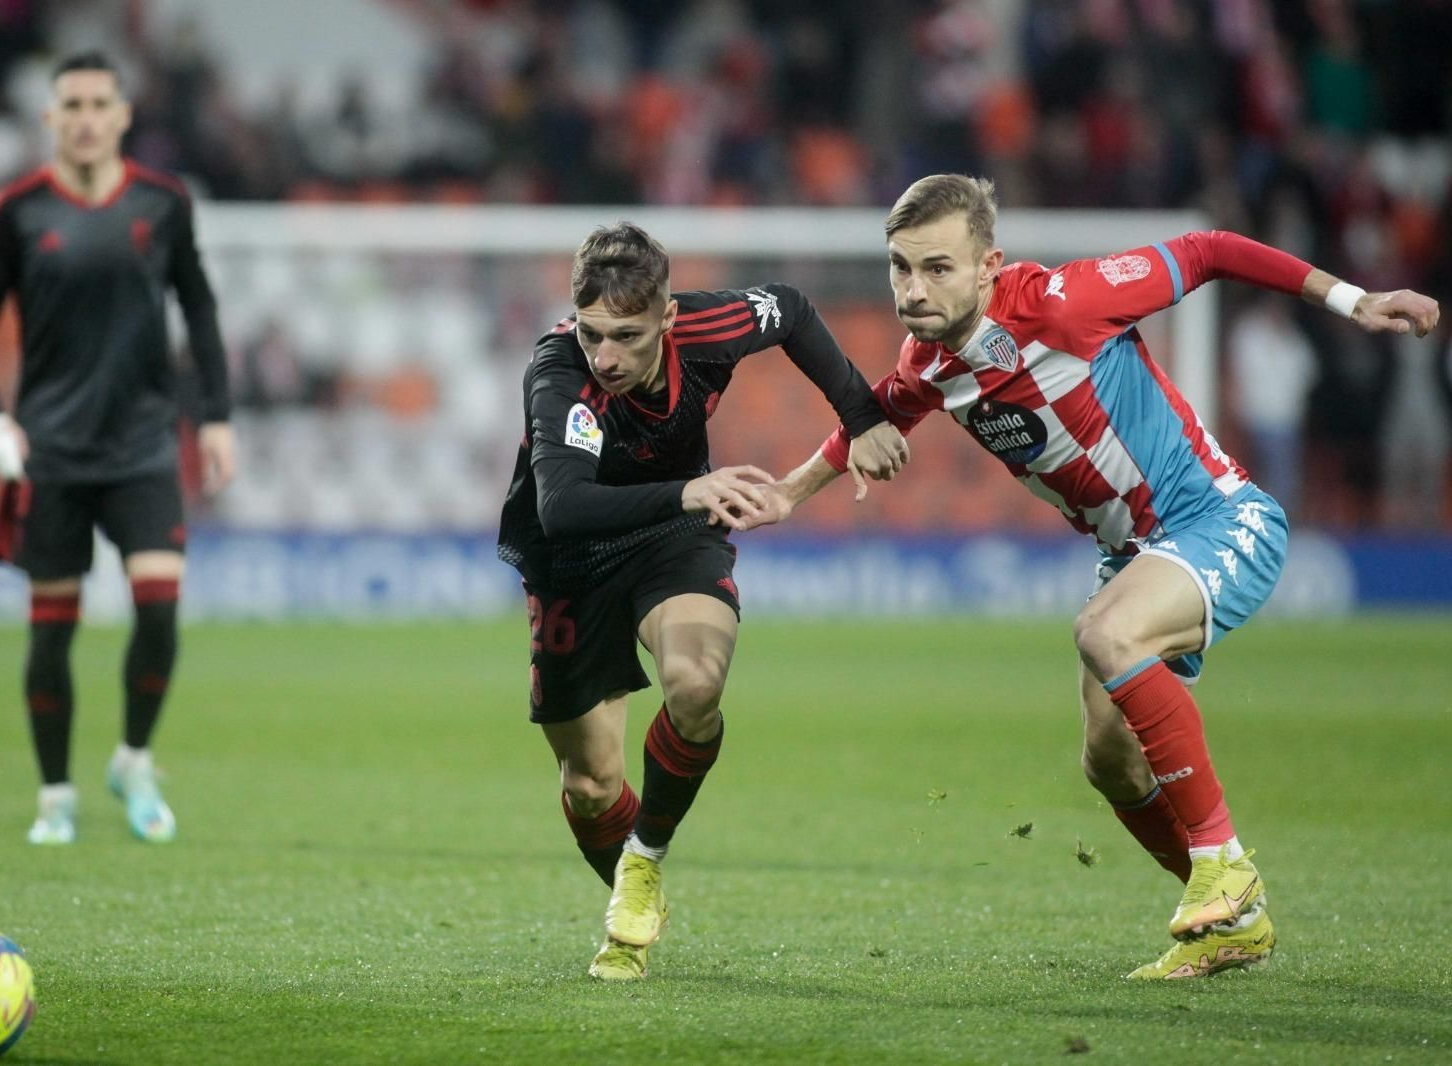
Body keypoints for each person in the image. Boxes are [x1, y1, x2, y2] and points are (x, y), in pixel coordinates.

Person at [763, 174, 1439, 979]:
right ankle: (1233, 920)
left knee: (1103, 632)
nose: (913, 289)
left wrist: (1351, 300)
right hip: (1133, 554)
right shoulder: (930, 361)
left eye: (937, 268)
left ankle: (1224, 863)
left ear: (988, 266)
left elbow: (1210, 249)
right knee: (1108, 760)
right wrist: (783, 493)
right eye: (900, 268)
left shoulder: (1065, 302)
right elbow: (871, 417)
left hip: (1220, 519)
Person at [497, 222, 907, 980]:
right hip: (570, 560)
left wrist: (863, 414)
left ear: (669, 319)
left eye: (626, 335)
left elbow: (789, 308)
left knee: (695, 683)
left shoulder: (711, 326)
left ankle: (645, 860)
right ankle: (630, 875)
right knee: (590, 786)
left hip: (672, 536)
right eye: (592, 333)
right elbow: (563, 507)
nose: (606, 356)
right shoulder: (558, 374)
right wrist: (691, 488)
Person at [0, 51, 236, 846]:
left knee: (159, 608)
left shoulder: (163, 201)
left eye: (98, 104)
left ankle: (132, 759)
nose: (84, 118)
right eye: (69, 104)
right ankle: (55, 797)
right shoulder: (13, 209)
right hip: (50, 448)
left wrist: (215, 416)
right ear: (49, 118)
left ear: (121, 116)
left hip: (143, 443)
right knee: (53, 628)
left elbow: (201, 308)